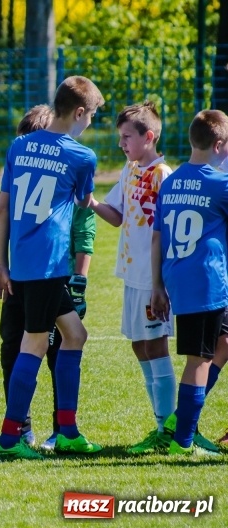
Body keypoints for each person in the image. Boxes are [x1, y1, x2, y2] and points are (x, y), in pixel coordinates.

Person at [0, 76, 105, 459]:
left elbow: (3, 208)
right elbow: (85, 201)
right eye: (92, 115)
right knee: (35, 343)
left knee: (75, 335)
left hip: (23, 262)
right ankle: (10, 438)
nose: (91, 122)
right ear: (79, 112)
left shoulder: (19, 145)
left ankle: (67, 430)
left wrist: (1, 263)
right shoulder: (82, 156)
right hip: (49, 263)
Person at [88, 102, 178, 454]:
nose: (121, 143)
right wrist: (90, 202)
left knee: (155, 346)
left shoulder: (162, 175)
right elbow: (117, 216)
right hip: (132, 275)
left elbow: (165, 232)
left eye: (127, 137)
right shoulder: (130, 169)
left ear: (149, 136)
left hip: (153, 279)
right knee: (139, 345)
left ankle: (167, 429)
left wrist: (160, 284)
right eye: (121, 137)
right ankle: (161, 424)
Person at [150, 109, 228, 456]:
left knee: (223, 343)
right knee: (198, 361)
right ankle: (183, 441)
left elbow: (158, 237)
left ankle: (180, 420)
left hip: (181, 278)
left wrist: (157, 285)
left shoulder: (171, 182)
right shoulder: (220, 184)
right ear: (219, 145)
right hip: (205, 284)